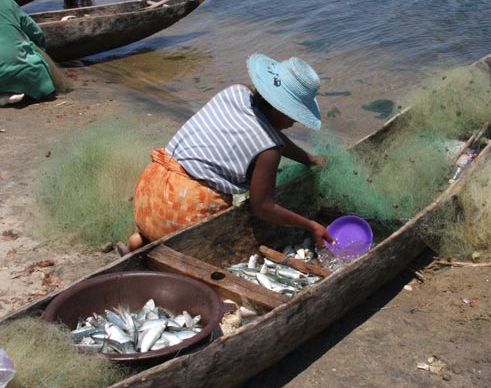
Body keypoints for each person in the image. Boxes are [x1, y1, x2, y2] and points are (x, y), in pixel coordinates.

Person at [121, 54, 334, 254]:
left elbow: (267, 133)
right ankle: (160, 239)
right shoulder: (269, 150)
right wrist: (310, 225)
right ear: (279, 108)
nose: (294, 121)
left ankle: (140, 240)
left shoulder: (236, 92)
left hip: (150, 190)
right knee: (227, 242)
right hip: (182, 209)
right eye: (293, 114)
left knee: (157, 226)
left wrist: (309, 159)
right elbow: (263, 208)